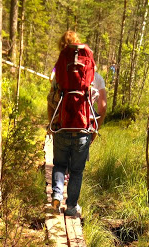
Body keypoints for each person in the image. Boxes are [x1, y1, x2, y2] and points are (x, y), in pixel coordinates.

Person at [47, 31, 107, 217]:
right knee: (76, 171)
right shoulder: (94, 77)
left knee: (59, 165)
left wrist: (51, 126)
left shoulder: (59, 74)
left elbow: (51, 101)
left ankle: (57, 195)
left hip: (62, 126)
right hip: (83, 129)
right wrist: (95, 129)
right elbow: (103, 106)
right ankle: (71, 206)